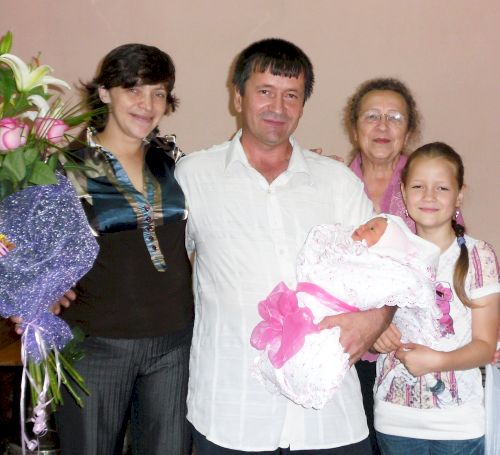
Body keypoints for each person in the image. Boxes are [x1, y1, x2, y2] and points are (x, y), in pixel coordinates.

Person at [175, 37, 393, 454]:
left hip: (328, 415)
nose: (278, 106)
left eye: (291, 95)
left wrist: (374, 320)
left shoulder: (336, 182)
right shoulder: (193, 177)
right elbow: (156, 266)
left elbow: (391, 267)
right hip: (232, 410)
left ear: (302, 105)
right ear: (238, 97)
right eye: (265, 91)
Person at [54, 44, 194, 455]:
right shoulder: (66, 166)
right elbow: (24, 249)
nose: (147, 104)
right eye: (133, 89)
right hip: (96, 344)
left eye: (158, 93)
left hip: (174, 341)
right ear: (104, 92)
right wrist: (36, 292)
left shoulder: (173, 160)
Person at [342, 77, 462, 454]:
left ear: (408, 131)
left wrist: (387, 320)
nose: (382, 126)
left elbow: (446, 268)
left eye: (394, 117)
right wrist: (369, 322)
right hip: (348, 353)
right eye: (371, 116)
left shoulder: (427, 183)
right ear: (354, 127)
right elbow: (323, 268)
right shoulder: (334, 183)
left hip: (413, 353)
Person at [373, 142, 500, 455]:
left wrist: (439, 361)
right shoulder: (385, 253)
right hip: (395, 421)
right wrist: (375, 334)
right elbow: (363, 319)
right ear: (403, 192)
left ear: (459, 195)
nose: (429, 196)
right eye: (418, 186)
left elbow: (485, 346)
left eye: (442, 188)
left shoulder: (479, 256)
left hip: (459, 424)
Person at [251, 215, 442, 410]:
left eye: (372, 229)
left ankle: (309, 379)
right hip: (307, 305)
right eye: (366, 224)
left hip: (331, 318)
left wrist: (378, 320)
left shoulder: (379, 268)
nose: (362, 227)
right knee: (286, 345)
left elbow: (400, 286)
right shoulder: (338, 250)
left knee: (318, 355)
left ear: (387, 246)